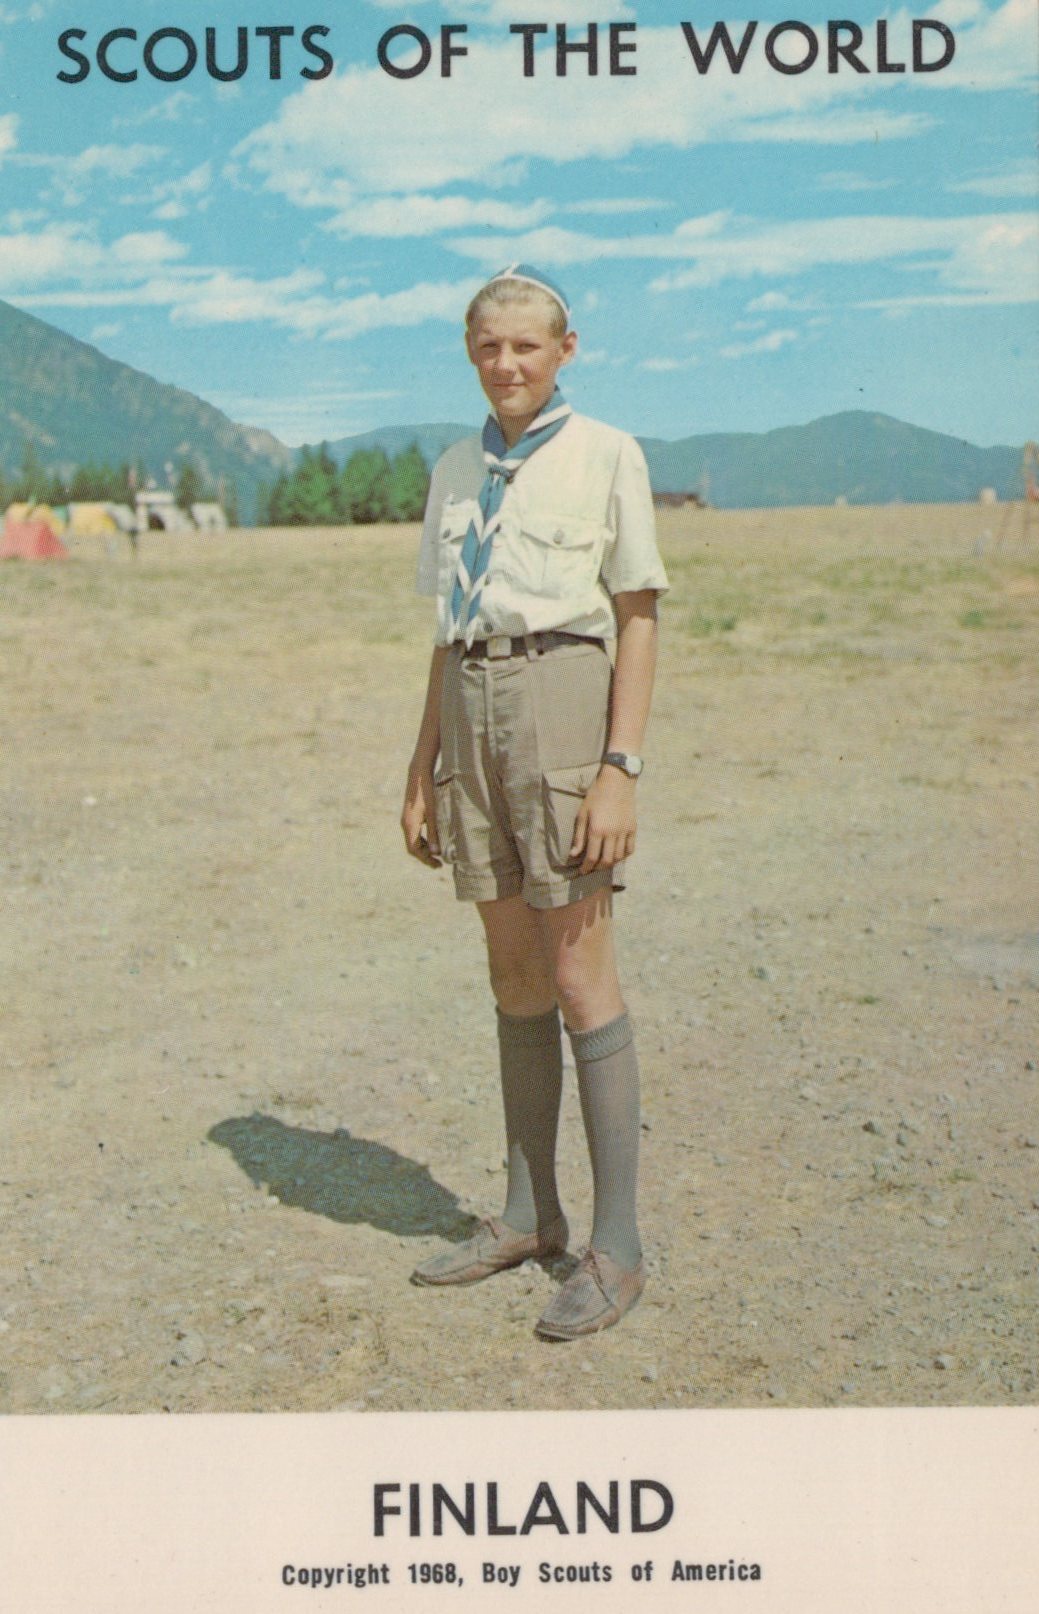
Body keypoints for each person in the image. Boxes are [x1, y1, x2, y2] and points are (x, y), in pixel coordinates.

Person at [400, 263, 668, 1340]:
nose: (505, 364)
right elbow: (443, 629)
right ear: (471, 355)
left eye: (526, 345)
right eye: (487, 348)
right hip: (470, 703)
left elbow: (639, 615)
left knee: (576, 972)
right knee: (511, 969)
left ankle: (617, 1248)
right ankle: (526, 1213)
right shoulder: (455, 468)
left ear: (566, 347)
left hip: (564, 701)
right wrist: (421, 765)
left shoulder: (606, 453)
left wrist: (619, 765)